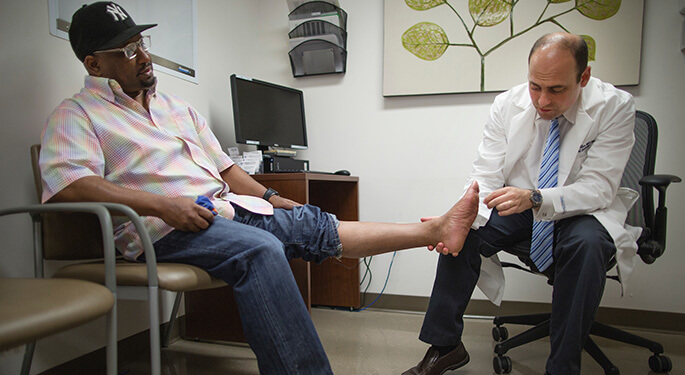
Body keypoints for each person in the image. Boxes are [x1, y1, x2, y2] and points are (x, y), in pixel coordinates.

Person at [39, 2, 479, 374]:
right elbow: (70, 186)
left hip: (225, 209)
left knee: (312, 224)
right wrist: (164, 205)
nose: (143, 57)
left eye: (143, 44)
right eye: (129, 49)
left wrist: (270, 196)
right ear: (94, 63)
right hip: (163, 229)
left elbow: (226, 168)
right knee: (260, 250)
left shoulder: (176, 109)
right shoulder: (77, 114)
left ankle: (435, 230)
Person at [403, 32, 640, 375]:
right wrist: (463, 213)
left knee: (588, 244)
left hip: (582, 210)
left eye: (556, 89)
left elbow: (600, 188)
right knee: (463, 231)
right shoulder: (507, 104)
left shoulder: (615, 106)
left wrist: (536, 198)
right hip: (522, 206)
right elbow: (486, 172)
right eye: (535, 86)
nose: (542, 100)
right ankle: (446, 345)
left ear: (583, 77)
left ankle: (562, 367)